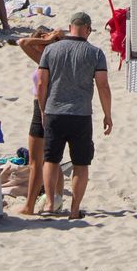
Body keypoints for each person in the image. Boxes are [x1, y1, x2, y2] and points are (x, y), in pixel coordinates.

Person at [34, 11, 112, 220]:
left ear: (70, 27)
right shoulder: (95, 53)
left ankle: (50, 204)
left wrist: (42, 109)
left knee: (51, 160)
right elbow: (103, 86)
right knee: (80, 163)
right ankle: (75, 210)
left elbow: (41, 84)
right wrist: (107, 114)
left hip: (54, 112)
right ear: (87, 29)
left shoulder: (51, 50)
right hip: (81, 115)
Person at [18, 28, 68, 214]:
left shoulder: (47, 58)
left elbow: (23, 42)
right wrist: (49, 40)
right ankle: (56, 199)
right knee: (52, 159)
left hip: (44, 109)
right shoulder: (51, 57)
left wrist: (48, 41)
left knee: (37, 162)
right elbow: (25, 42)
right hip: (49, 108)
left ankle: (29, 206)